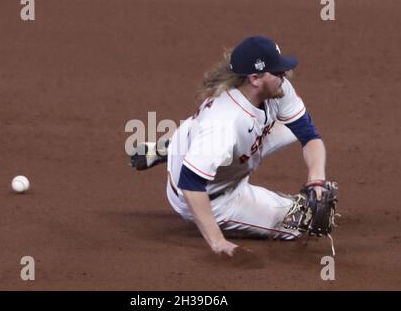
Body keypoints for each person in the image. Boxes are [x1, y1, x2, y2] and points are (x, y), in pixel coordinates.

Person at [132, 35, 328, 257]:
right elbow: (190, 183)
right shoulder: (223, 124)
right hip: (210, 197)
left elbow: (309, 135)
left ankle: (179, 148)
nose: (285, 76)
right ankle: (194, 156)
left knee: (290, 128)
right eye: (278, 72)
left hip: (210, 142)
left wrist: (316, 178)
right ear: (255, 78)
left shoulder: (273, 90)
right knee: (303, 220)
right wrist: (218, 242)